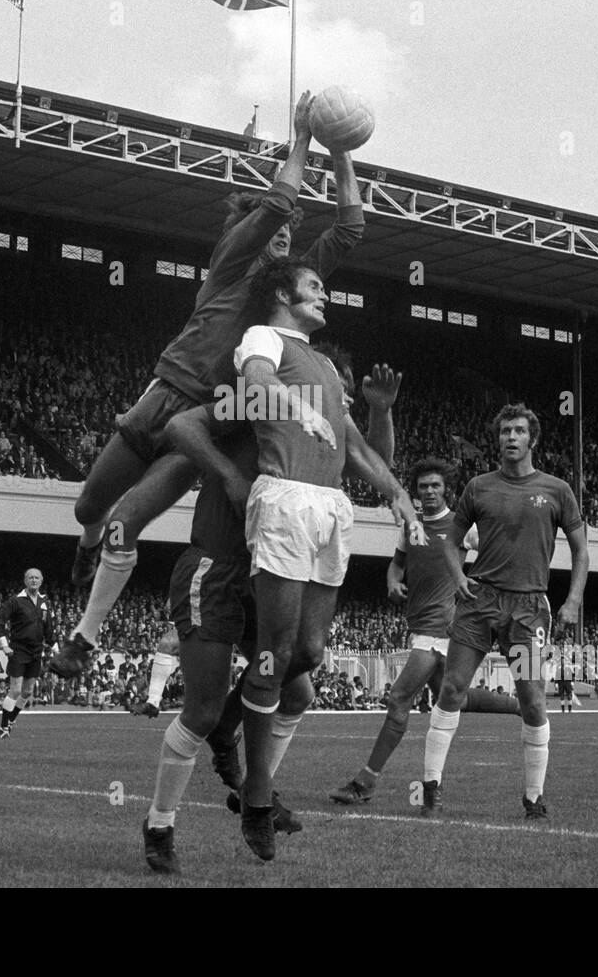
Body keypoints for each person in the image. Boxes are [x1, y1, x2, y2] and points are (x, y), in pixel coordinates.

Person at [51, 91, 365, 677]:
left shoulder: (283, 292)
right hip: (163, 392)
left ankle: (83, 638)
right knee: (90, 507)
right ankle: (86, 544)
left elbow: (349, 230)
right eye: (269, 226)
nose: (281, 232)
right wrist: (300, 139)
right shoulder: (229, 266)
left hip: (209, 416)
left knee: (128, 519)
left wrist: (342, 154)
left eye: (289, 230)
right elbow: (275, 204)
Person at [180, 257, 423, 860]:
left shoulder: (329, 368)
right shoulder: (263, 337)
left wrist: (396, 493)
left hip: (331, 506)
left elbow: (360, 448)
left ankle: (229, 722)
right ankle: (257, 799)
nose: (324, 296)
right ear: (284, 295)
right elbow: (259, 384)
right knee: (276, 651)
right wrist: (300, 409)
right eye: (315, 287)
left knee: (309, 652)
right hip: (285, 497)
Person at [143, 350, 402, 873]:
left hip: (268, 574)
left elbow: (377, 462)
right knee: (203, 709)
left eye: (347, 399)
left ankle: (254, 789)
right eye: (340, 395)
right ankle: (159, 824)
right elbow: (182, 427)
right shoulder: (259, 403)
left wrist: (379, 412)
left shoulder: (326, 434)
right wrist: (230, 476)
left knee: (300, 679)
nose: (341, 403)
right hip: (217, 565)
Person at [419, 403, 589, 821]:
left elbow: (582, 552)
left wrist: (572, 601)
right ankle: (431, 788)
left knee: (531, 700)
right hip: (480, 603)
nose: (510, 438)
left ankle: (533, 798)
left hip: (529, 610)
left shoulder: (557, 490)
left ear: (532, 439)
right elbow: (450, 540)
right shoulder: (478, 487)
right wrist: (458, 577)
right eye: (504, 432)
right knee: (452, 689)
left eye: (518, 431)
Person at [329, 458, 521, 805]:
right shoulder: (410, 526)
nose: (429, 491)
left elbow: (501, 554)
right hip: (420, 624)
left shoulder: (463, 527)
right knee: (455, 698)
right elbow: (397, 563)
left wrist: (475, 585)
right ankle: (519, 706)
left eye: (435, 485)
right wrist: (392, 582)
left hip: (442, 627)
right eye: (422, 487)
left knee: (399, 698)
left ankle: (365, 783)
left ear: (446, 488)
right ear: (415, 492)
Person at [0, 568, 51, 738]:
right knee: (16, 689)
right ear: (25, 581)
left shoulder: (45, 602)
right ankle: (3, 728)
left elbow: (49, 628)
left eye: (37, 578)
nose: (34, 580)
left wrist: (55, 648)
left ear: (41, 581)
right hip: (18, 649)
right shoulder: (15, 601)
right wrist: (5, 646)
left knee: (27, 692)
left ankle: (11, 721)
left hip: (36, 651)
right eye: (30, 578)